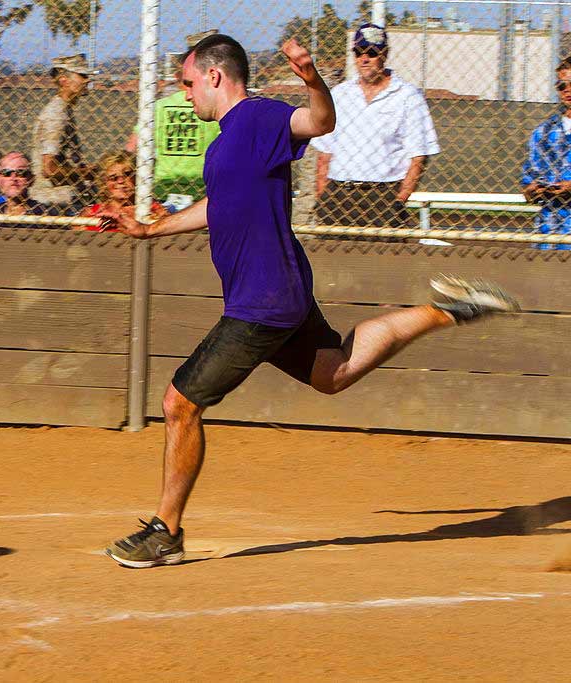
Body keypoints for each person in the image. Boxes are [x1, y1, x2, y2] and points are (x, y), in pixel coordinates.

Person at [101, 34, 519, 569]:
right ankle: (448, 311)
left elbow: (320, 123)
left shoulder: (256, 117)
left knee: (179, 404)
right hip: (278, 293)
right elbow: (218, 206)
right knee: (334, 372)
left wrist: (312, 77)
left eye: (187, 82)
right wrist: (148, 230)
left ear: (214, 75)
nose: (184, 95)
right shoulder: (227, 141)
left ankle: (166, 531)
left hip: (262, 301)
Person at [311, 24, 440, 228]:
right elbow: (324, 154)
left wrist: (399, 200)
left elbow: (419, 157)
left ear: (385, 54)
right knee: (333, 257)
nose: (364, 59)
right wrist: (322, 194)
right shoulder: (339, 94)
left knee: (380, 258)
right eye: (358, 52)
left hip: (383, 195)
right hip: (338, 193)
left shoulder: (408, 97)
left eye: (371, 52)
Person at [125, 30, 222, 211]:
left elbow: (131, 148)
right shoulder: (216, 108)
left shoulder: (159, 107)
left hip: (162, 189)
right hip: (201, 192)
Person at [29, 54, 97, 213]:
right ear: (63, 80)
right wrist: (88, 173)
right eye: (82, 75)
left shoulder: (64, 109)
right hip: (53, 200)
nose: (87, 80)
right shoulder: (57, 114)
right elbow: (49, 170)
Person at [521, 57, 571, 251]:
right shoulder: (544, 132)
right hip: (550, 232)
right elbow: (528, 187)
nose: (566, 90)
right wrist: (533, 189)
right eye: (561, 85)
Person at [77, 151, 168, 231]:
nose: (120, 181)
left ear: (137, 177)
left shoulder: (153, 208)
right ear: (104, 183)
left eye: (127, 174)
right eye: (113, 178)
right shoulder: (91, 212)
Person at [0, 151, 56, 221]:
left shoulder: (46, 214)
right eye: (7, 173)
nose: (13, 178)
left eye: (21, 172)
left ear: (31, 179)